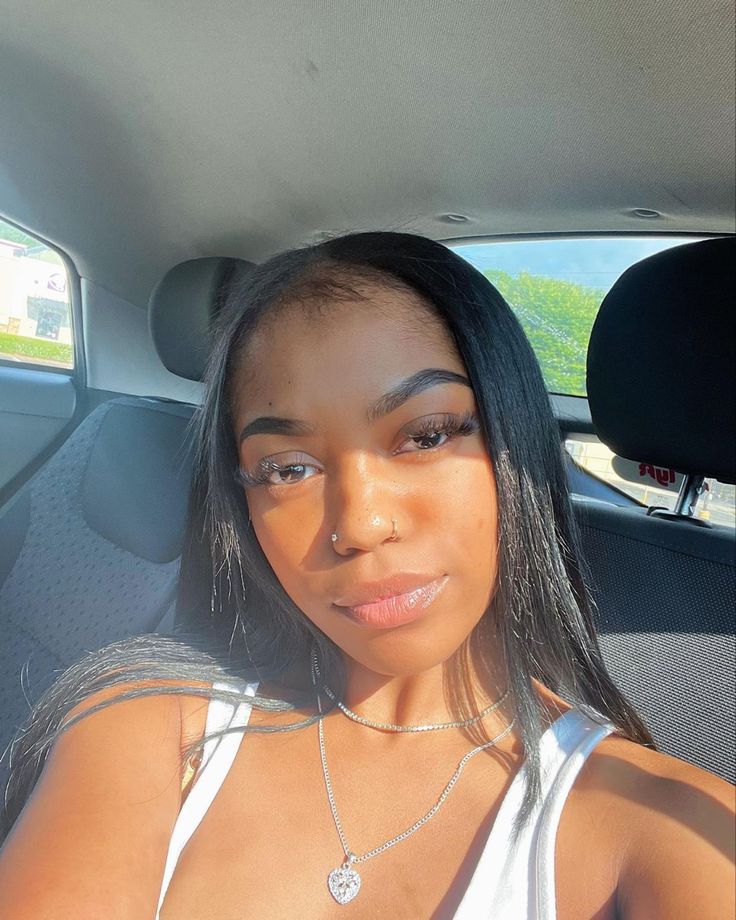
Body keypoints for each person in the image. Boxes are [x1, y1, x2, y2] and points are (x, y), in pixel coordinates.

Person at [0, 232, 732, 919]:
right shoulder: (144, 724)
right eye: (288, 469)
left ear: (515, 441)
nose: (360, 523)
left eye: (426, 435)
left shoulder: (664, 827)